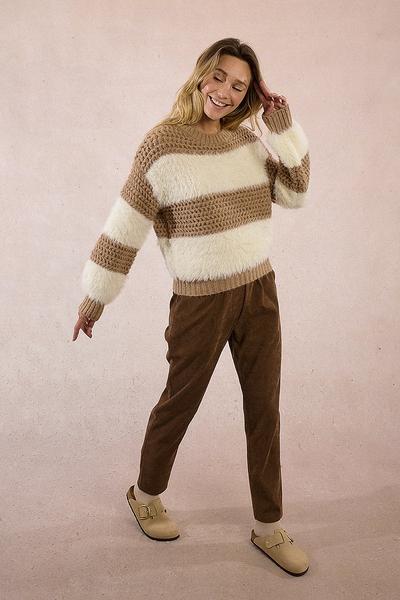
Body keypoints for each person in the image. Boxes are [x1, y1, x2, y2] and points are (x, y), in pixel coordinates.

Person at [72, 37, 310, 576]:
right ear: (201, 74)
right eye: (219, 77)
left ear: (251, 95)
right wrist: (95, 298)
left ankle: (269, 527)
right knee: (180, 402)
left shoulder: (248, 139)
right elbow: (125, 226)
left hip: (259, 293)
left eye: (240, 86)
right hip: (200, 304)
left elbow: (296, 192)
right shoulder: (162, 145)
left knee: (265, 410)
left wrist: (280, 123)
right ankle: (145, 495)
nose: (226, 92)